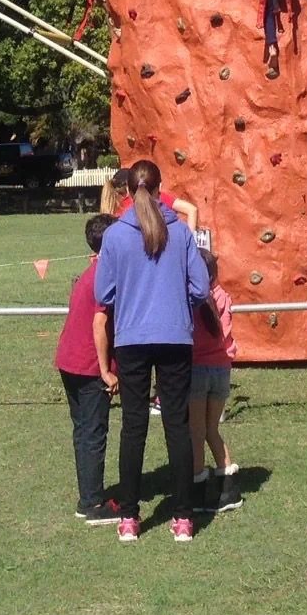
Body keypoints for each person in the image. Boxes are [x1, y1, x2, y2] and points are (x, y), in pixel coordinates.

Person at [93, 160, 211, 544]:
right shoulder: (181, 233)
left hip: (131, 340)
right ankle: (183, 518)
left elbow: (104, 294)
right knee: (177, 427)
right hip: (175, 336)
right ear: (162, 190)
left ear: (126, 191)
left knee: (133, 427)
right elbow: (200, 287)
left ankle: (128, 517)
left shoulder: (114, 236)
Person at [57, 214, 121, 525]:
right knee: (94, 432)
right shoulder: (105, 275)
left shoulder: (93, 270)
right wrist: (106, 370)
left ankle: (88, 495)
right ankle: (93, 503)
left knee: (84, 431)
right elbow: (100, 324)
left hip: (69, 359)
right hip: (87, 364)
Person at [188, 242, 242, 513]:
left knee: (195, 433)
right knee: (212, 429)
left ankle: (196, 491)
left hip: (197, 369)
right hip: (222, 369)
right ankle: (228, 488)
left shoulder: (192, 300)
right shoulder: (224, 296)